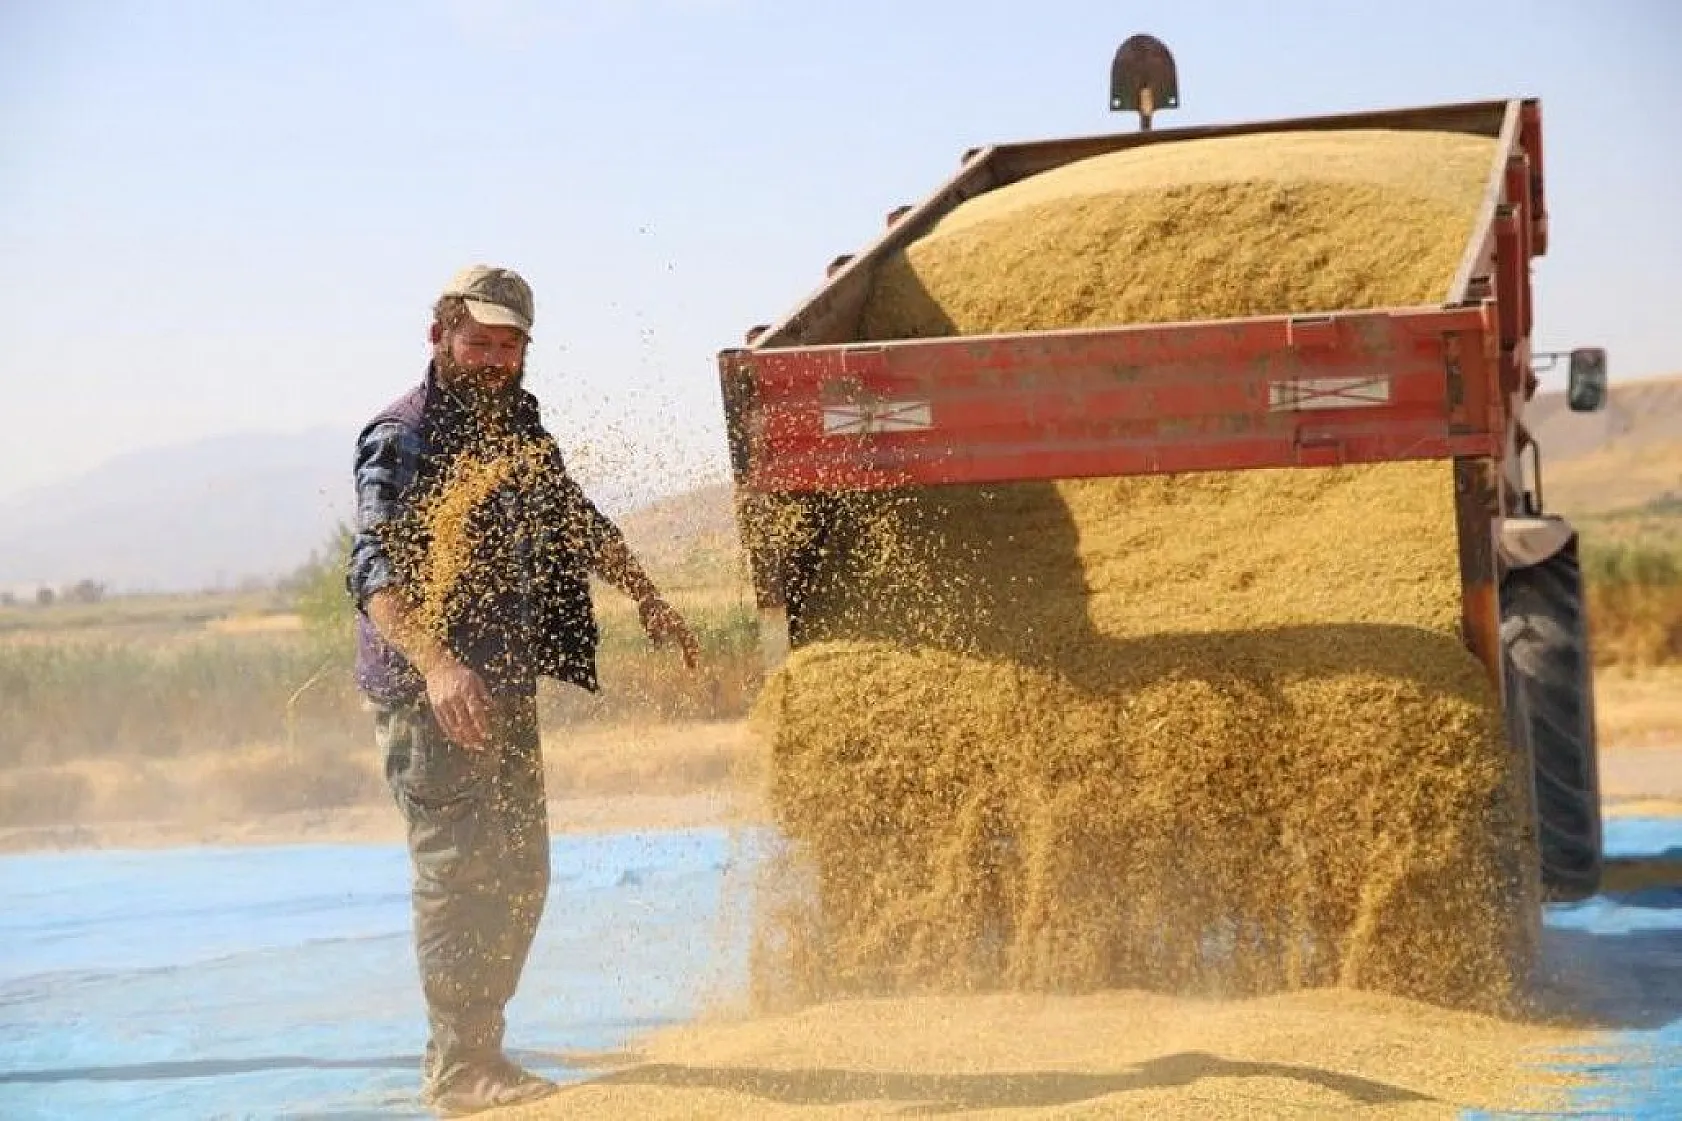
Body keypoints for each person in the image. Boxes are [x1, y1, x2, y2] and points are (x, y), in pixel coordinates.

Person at [345, 264, 700, 1116]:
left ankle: (481, 1047)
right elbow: (373, 568)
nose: (497, 359)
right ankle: (461, 1067)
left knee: (521, 874)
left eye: (512, 346)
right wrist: (438, 664)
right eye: (481, 342)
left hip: (500, 685)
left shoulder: (514, 420)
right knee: (460, 873)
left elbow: (567, 511)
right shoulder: (403, 434)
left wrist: (645, 593)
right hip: (435, 695)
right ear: (441, 336)